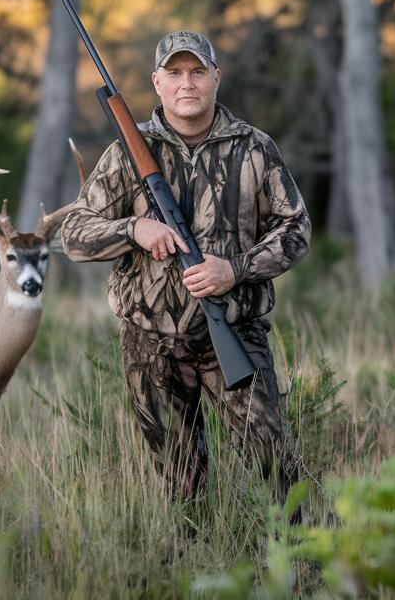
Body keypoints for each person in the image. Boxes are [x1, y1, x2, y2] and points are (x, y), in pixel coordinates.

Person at [59, 29, 309, 504]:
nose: (186, 83)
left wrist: (234, 269)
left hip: (235, 332)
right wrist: (133, 230)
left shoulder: (254, 148)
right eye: (174, 73)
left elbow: (296, 231)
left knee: (275, 467)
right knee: (180, 483)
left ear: (216, 77)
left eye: (197, 72)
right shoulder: (127, 154)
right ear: (157, 82)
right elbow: (73, 233)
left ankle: (302, 568)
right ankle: (193, 567)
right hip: (149, 345)